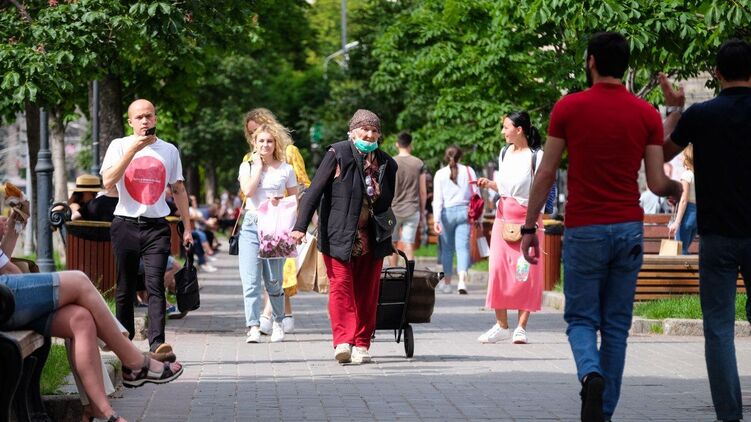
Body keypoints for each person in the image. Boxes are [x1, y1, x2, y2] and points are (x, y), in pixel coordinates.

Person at [519, 32, 681, 422]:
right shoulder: (643, 113)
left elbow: (545, 173)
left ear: (591, 61)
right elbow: (658, 184)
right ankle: (603, 412)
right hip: (627, 228)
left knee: (580, 319)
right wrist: (680, 189)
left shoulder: (569, 108)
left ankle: (590, 373)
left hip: (585, 228)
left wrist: (529, 227)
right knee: (616, 326)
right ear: (625, 65)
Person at [0, 205, 184, 422]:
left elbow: (5, 265)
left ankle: (101, 411)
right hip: (4, 295)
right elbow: (9, 272)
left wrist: (14, 225)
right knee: (78, 280)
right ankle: (134, 361)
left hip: (7, 295)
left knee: (81, 319)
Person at [662, 38, 751, 422]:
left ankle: (729, 416)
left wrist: (674, 109)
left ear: (716, 73)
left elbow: (662, 153)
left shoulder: (701, 115)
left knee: (718, 329)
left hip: (715, 236)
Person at [291, 109, 397, 364]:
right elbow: (314, 191)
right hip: (338, 233)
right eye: (364, 129)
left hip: (372, 236)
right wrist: (300, 226)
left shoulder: (387, 163)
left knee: (367, 292)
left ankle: (362, 343)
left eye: (374, 130)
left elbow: (386, 202)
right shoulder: (337, 153)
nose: (369, 134)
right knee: (341, 289)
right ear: (352, 131)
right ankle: (343, 341)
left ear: (379, 134)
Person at [101, 99, 193, 363]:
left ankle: (157, 344)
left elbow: (178, 190)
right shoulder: (118, 146)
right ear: (130, 121)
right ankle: (124, 341)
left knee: (155, 285)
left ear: (155, 119)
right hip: (125, 223)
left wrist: (187, 228)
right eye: (139, 117)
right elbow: (108, 181)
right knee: (125, 285)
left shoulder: (169, 150)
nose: (145, 121)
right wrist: (133, 149)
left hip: (156, 226)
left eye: (149, 116)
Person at [476, 111, 544, 345]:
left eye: (506, 127)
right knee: (498, 271)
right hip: (503, 219)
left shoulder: (537, 156)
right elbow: (505, 188)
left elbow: (542, 190)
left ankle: (521, 328)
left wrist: (532, 224)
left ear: (519, 129)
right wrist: (489, 184)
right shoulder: (504, 153)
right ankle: (501, 325)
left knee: (525, 273)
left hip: (528, 221)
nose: (503, 132)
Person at [237, 123, 298, 344]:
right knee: (250, 281)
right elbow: (248, 192)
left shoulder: (286, 169)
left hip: (275, 227)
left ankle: (278, 322)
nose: (265, 145)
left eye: (269, 141)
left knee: (273, 280)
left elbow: (294, 199)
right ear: (254, 143)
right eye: (261, 141)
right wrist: (257, 168)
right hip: (252, 224)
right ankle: (253, 326)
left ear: (275, 144)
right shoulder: (247, 166)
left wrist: (280, 203)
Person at [432, 145, 475, 295]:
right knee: (463, 248)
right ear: (460, 157)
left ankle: (448, 283)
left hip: (446, 214)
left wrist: (436, 220)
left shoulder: (440, 174)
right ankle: (462, 281)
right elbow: (476, 195)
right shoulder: (469, 171)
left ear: (446, 157)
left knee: (447, 250)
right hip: (465, 211)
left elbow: (437, 199)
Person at [389, 131, 427, 265]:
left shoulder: (391, 162)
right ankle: (409, 277)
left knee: (392, 244)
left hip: (393, 210)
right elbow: (423, 191)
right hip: (412, 209)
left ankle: (393, 277)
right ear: (410, 145)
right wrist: (422, 212)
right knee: (408, 243)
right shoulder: (418, 163)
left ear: (396, 144)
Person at [667, 144, 697, 254]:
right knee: (684, 249)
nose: (681, 158)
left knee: (680, 251)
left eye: (683, 155)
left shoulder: (686, 175)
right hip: (696, 216)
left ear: (687, 157)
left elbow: (684, 200)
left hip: (687, 213)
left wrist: (677, 222)